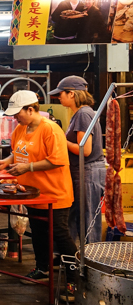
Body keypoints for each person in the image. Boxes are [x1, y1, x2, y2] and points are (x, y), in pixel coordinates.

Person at [0, 90, 77, 300]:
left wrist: (27, 168)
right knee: (38, 232)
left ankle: (75, 280)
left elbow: (57, 160)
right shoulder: (21, 129)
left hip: (54, 193)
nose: (15, 117)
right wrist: (8, 161)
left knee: (60, 234)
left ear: (31, 109)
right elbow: (18, 152)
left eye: (18, 113)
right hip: (31, 194)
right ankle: (42, 268)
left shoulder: (51, 130)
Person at [49, 76, 105, 244]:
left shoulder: (83, 114)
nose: (59, 98)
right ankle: (72, 259)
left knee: (88, 219)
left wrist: (60, 139)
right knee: (74, 217)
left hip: (88, 171)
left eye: (61, 94)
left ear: (72, 94)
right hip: (82, 171)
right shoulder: (80, 114)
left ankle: (90, 263)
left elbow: (84, 150)